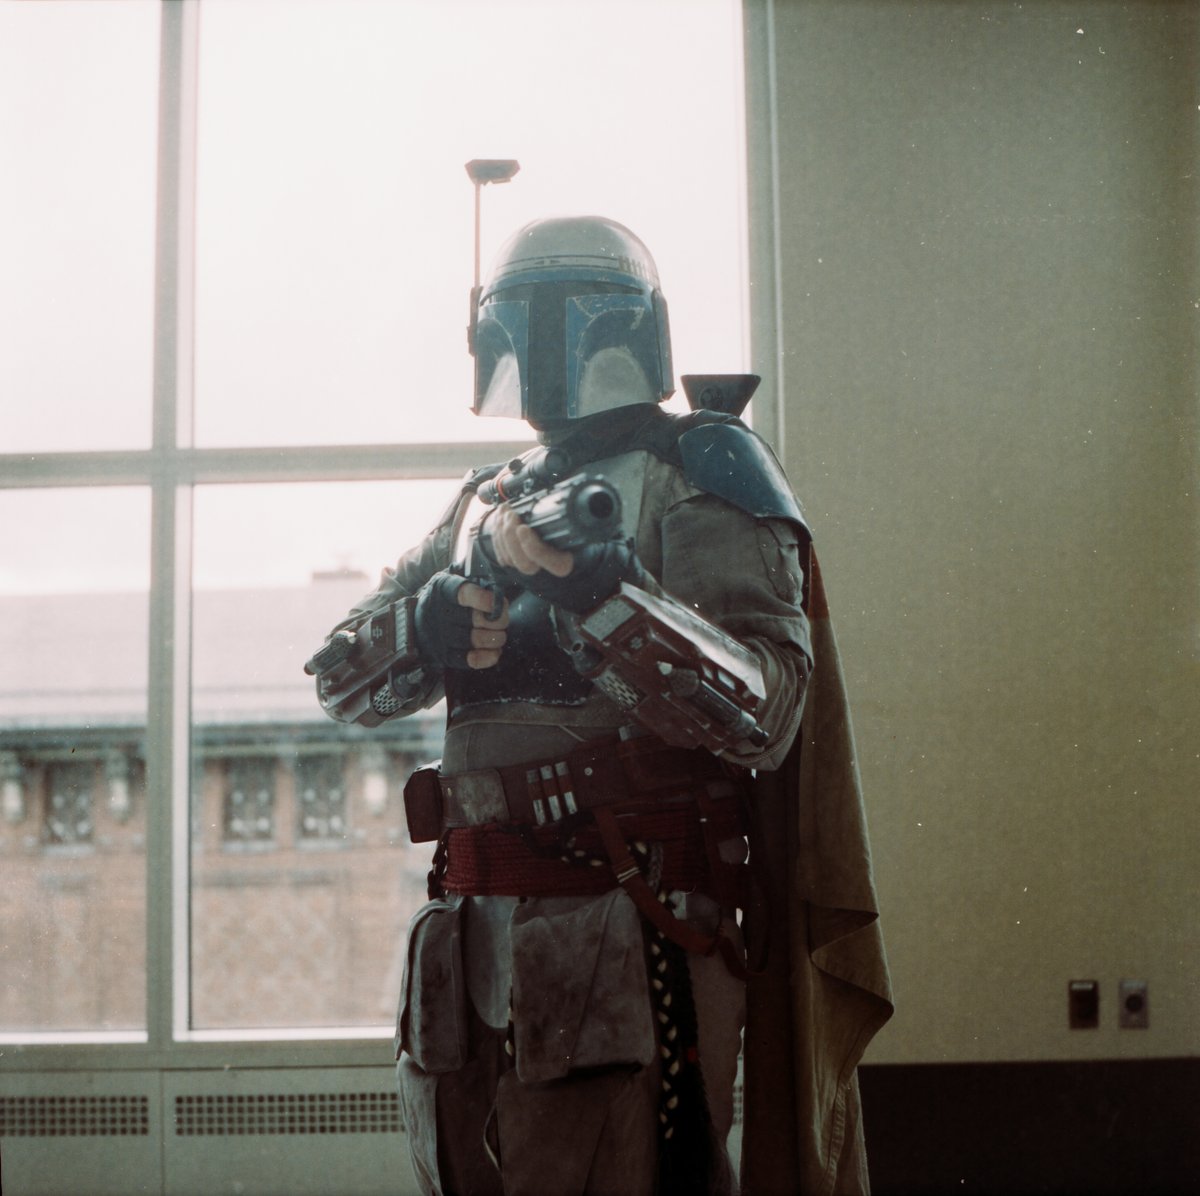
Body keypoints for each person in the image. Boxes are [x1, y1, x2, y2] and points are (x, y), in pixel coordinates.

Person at [308, 216, 892, 1196]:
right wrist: (425, 622)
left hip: (630, 927)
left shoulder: (700, 465)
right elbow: (338, 679)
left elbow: (765, 710)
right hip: (468, 935)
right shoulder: (486, 498)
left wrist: (607, 592)